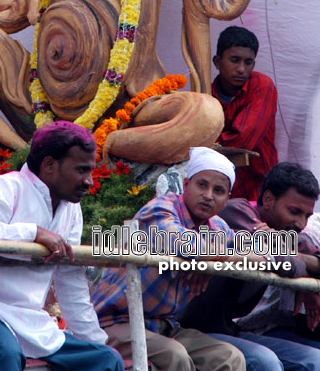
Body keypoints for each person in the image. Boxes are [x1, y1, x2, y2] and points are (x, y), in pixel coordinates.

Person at [0, 121, 124, 371]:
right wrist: (32, 233)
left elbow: (71, 284)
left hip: (32, 323)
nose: (89, 181)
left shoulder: (72, 210)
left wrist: (95, 343)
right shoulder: (8, 187)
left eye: (90, 171)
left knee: (106, 360)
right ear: (49, 165)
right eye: (81, 170)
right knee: (3, 352)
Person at [92, 146, 249, 371]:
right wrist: (213, 258)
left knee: (230, 357)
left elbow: (263, 256)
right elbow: (182, 243)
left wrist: (210, 260)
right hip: (115, 322)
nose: (208, 195)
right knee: (175, 355)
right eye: (202, 185)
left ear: (227, 199)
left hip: (165, 326)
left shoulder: (218, 227)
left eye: (218, 190)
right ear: (186, 185)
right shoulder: (161, 207)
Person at [178, 162, 320, 370]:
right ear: (269, 200)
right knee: (265, 362)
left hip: (227, 329)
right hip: (191, 329)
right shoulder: (237, 212)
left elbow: (302, 258)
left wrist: (302, 271)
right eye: (294, 211)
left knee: (314, 360)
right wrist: (301, 272)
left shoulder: (284, 232)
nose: (300, 224)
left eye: (306, 216)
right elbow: (281, 263)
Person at [212, 26, 278, 199]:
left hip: (260, 192)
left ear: (253, 64)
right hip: (218, 194)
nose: (241, 69)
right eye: (234, 60)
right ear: (217, 62)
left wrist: (204, 147)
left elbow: (241, 141)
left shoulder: (262, 85)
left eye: (248, 62)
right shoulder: (206, 94)